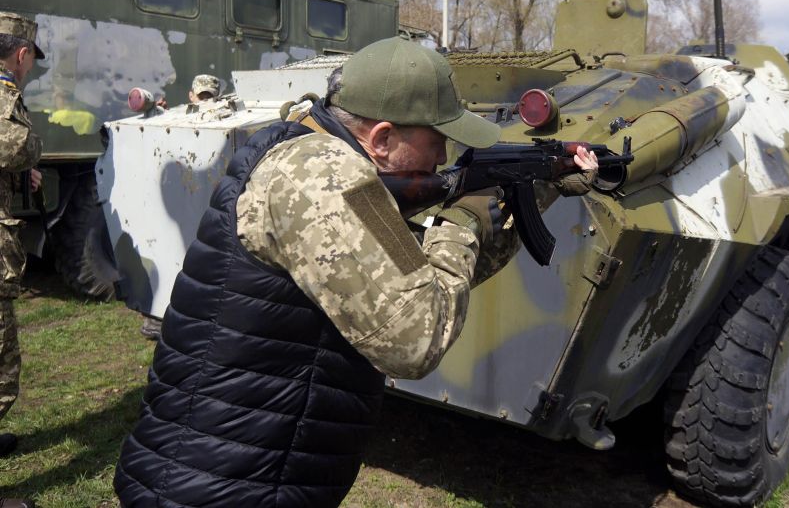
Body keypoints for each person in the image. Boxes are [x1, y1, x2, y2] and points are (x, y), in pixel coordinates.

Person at [114, 37, 596, 506]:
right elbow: (417, 338)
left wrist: (537, 190)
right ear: (382, 138)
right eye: (437, 141)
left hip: (237, 465)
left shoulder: (310, 150)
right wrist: (462, 218)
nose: (445, 159)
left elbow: (432, 279)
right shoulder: (324, 180)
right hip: (225, 481)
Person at [137, 73, 223, 341]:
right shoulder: (176, 117)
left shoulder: (222, 118)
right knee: (168, 253)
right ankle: (157, 315)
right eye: (201, 96)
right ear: (191, 95)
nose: (206, 101)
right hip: (175, 198)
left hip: (202, 197)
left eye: (210, 96)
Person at [0, 12, 44, 508]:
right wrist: (30, 158)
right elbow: (15, 146)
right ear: (21, 53)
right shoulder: (5, 92)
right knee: (0, 362)